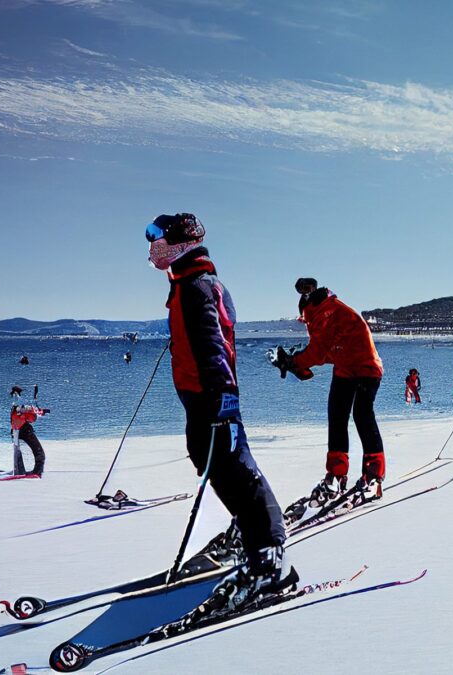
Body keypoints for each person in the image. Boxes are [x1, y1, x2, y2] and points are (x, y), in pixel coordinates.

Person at [146, 212, 290, 612]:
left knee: (233, 466)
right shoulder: (188, 282)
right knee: (209, 460)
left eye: (157, 237)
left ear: (179, 240)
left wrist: (225, 402)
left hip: (213, 397)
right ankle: (249, 533)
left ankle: (270, 555)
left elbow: (214, 345)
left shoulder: (197, 285)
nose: (152, 246)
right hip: (199, 396)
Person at [269, 277, 386, 508]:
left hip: (366, 367)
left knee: (362, 414)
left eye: (303, 319)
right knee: (337, 415)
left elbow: (318, 352)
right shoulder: (326, 311)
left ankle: (374, 476)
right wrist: (296, 364)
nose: (304, 323)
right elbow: (328, 352)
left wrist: (295, 361)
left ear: (306, 309)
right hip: (345, 368)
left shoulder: (325, 313)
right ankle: (336, 475)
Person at [9, 385, 47, 476]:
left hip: (16, 431)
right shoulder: (19, 403)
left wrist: (39, 412)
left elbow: (29, 413)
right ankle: (37, 473)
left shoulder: (15, 403)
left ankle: (20, 470)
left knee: (18, 452)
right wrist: (38, 412)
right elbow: (30, 415)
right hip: (23, 430)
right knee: (40, 454)